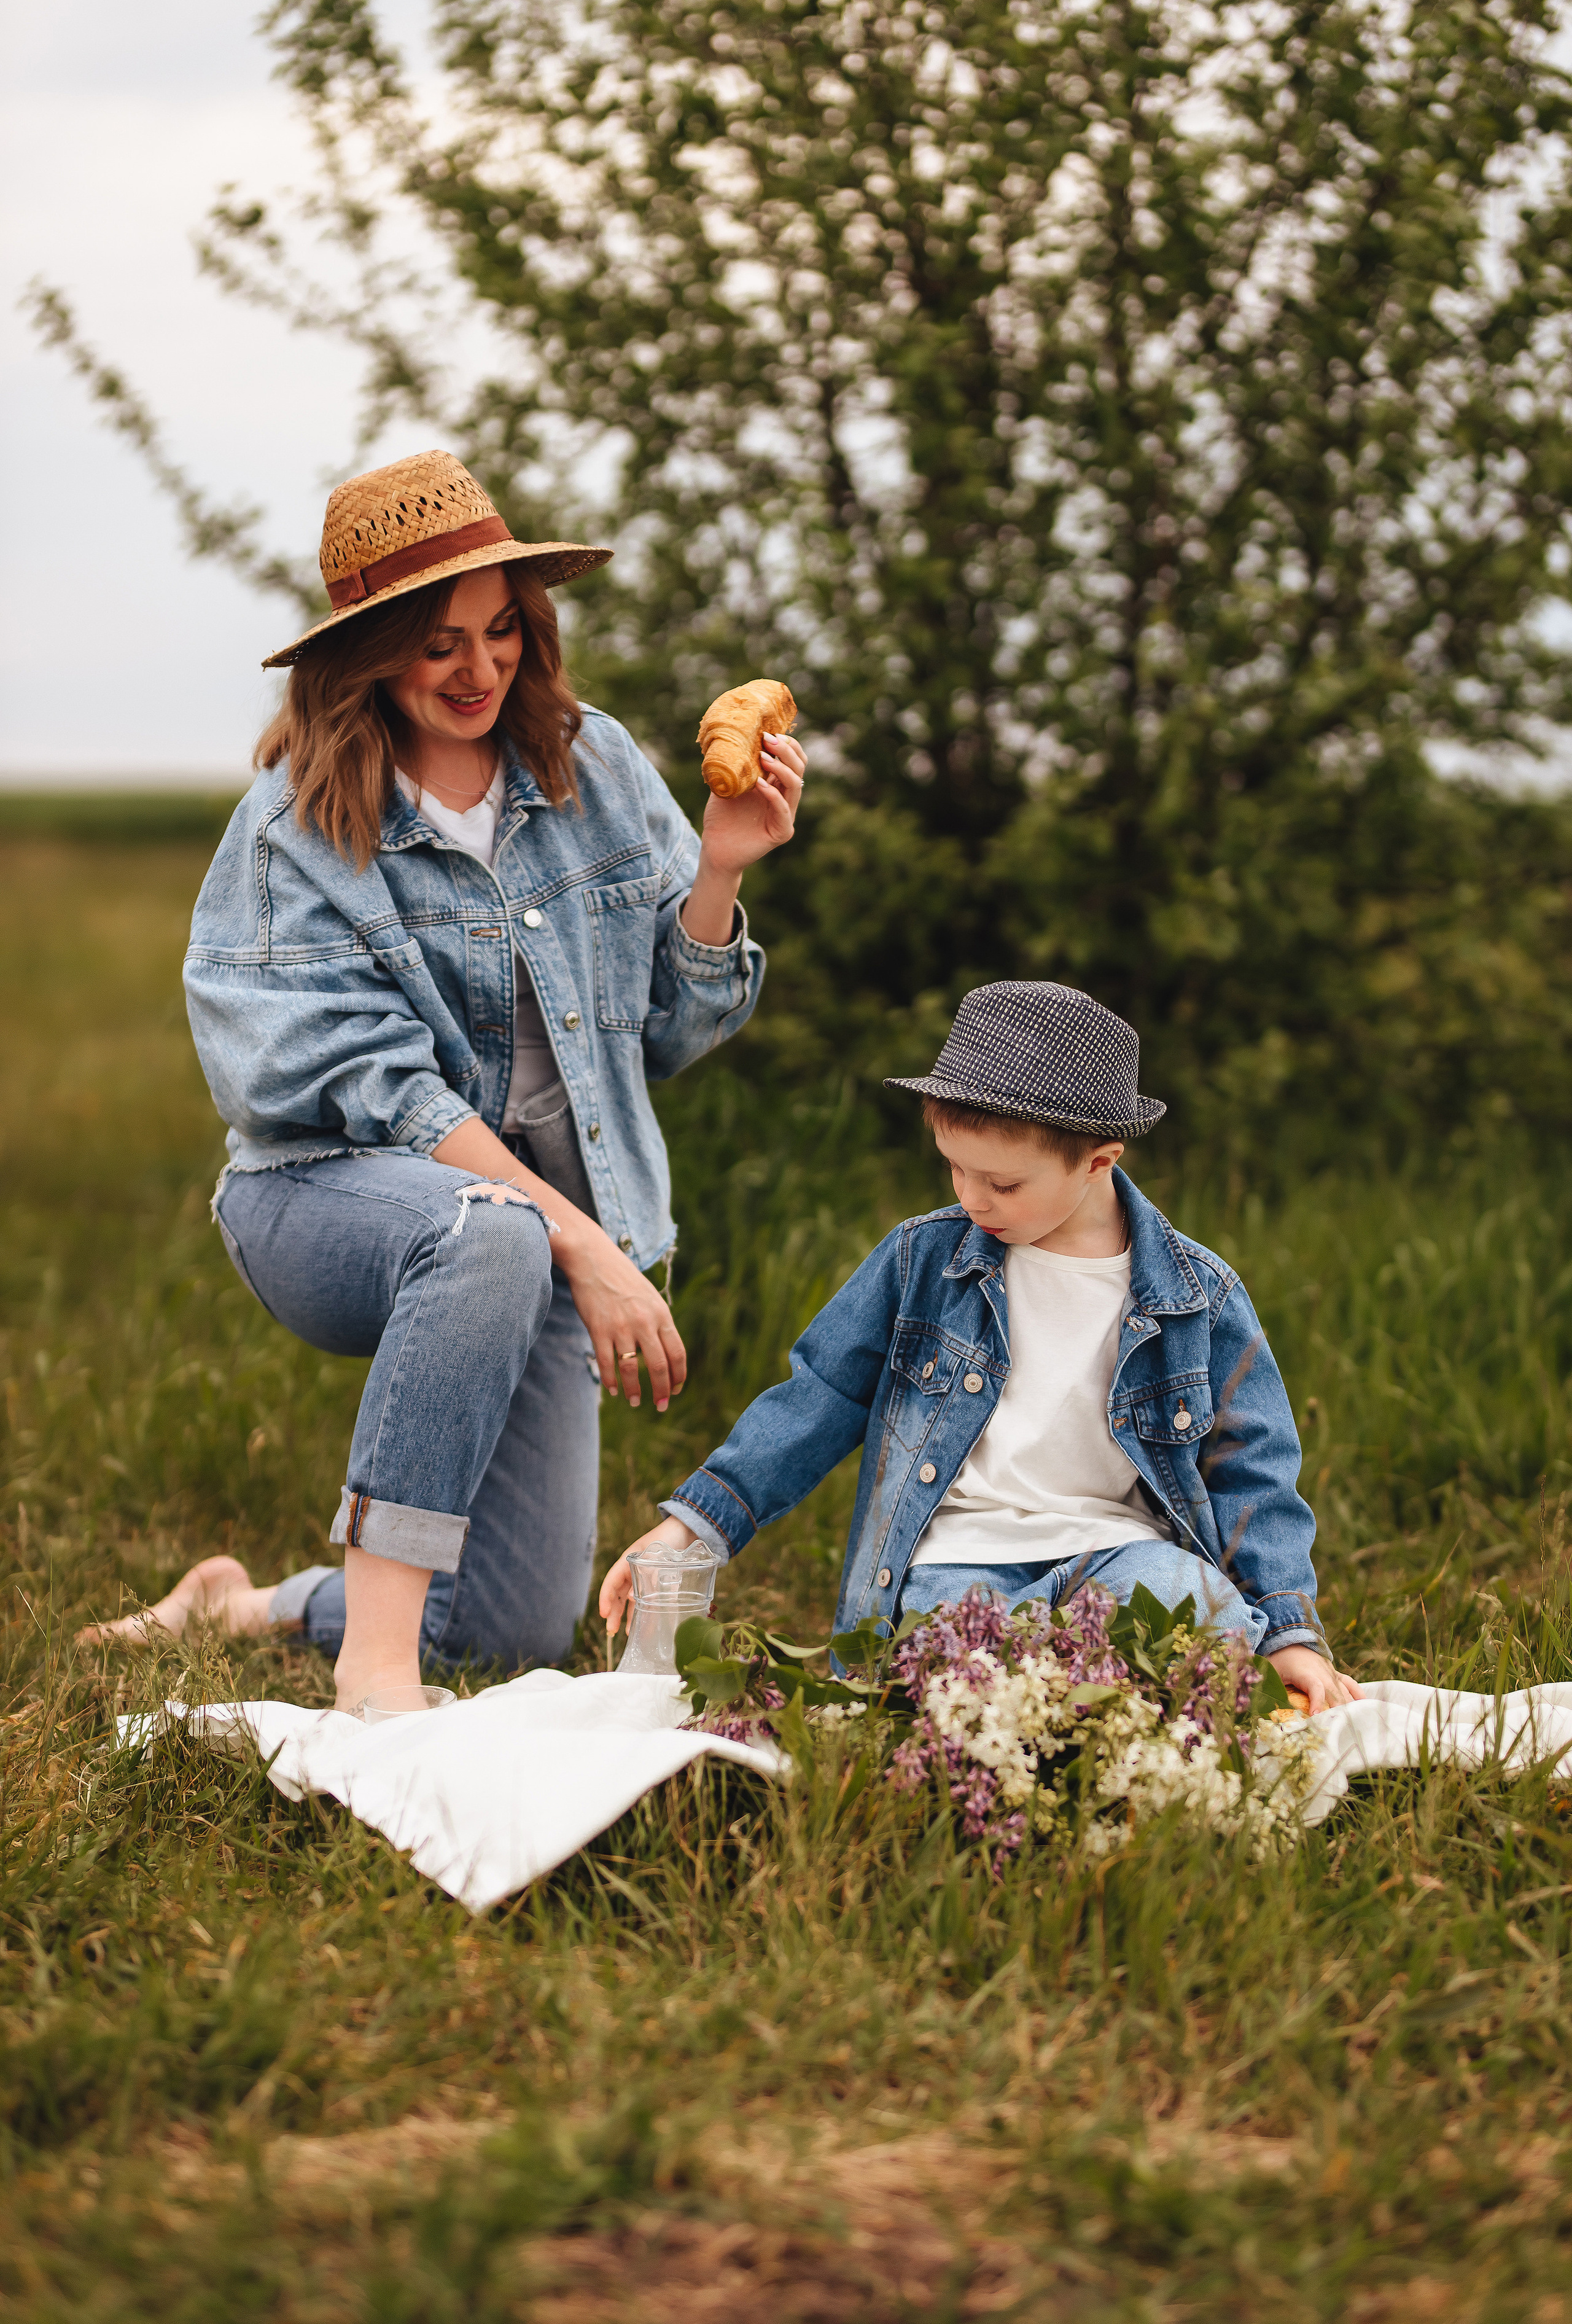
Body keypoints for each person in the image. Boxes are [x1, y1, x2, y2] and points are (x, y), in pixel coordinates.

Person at [84, 449, 805, 1709]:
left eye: (501, 632)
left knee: (515, 1629)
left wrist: (721, 871)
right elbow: (376, 1092)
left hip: (539, 1227)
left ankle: (250, 1604)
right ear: (369, 656)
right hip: (323, 1196)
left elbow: (661, 1034)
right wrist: (582, 1242)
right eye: (438, 645)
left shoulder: (593, 766)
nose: (479, 671)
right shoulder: (293, 827)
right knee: (489, 1229)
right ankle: (375, 1673)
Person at [601, 981, 1362, 1715]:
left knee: (1205, 1618)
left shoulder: (1197, 1295)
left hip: (1122, 1552)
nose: (971, 1198)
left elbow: (1252, 1469)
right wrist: (693, 1526)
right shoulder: (921, 1261)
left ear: (1099, 1161)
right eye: (955, 1167)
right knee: (954, 1676)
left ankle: (1097, 1704)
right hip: (958, 1562)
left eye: (1002, 1183)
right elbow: (817, 1400)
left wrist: (1287, 1631)